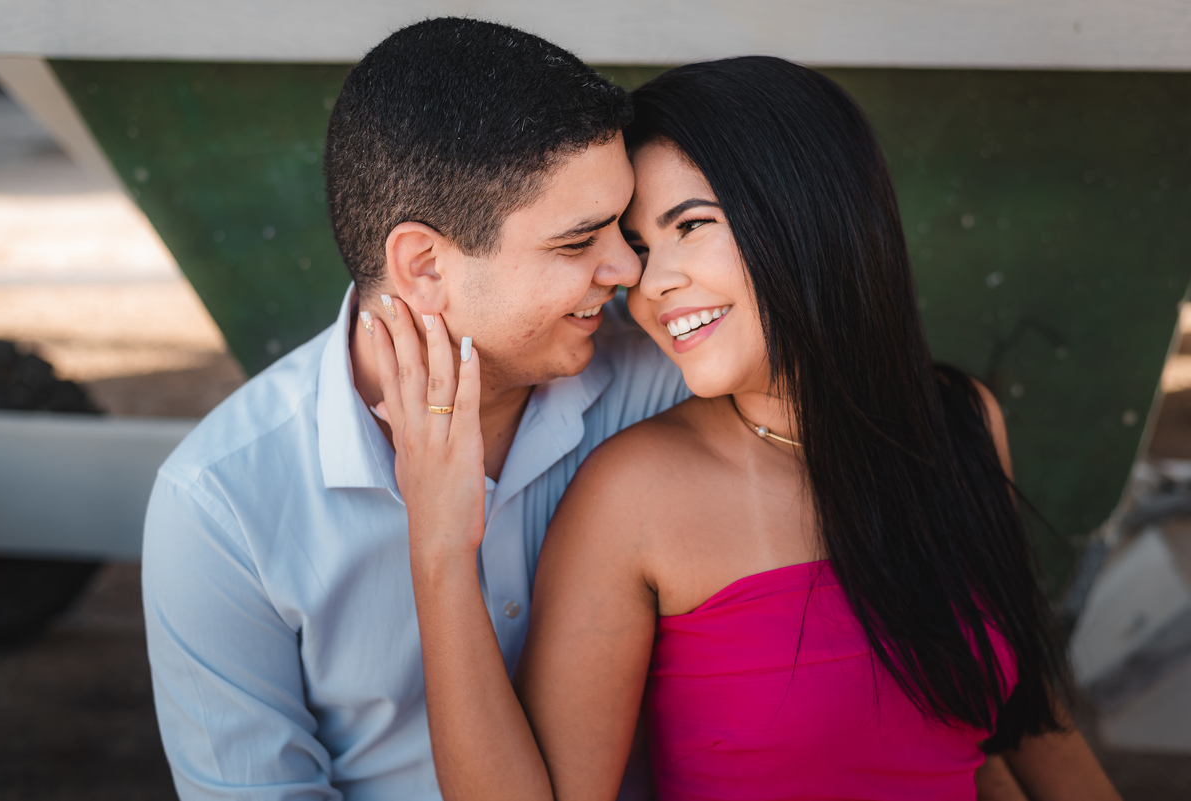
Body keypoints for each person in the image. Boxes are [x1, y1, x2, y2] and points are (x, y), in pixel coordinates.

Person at [373, 57, 1122, 800]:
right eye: (639, 246)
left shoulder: (962, 423)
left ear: (811, 212)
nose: (647, 281)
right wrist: (440, 550)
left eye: (690, 226)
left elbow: (1022, 726)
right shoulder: (635, 493)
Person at [141, 18, 690, 800]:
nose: (628, 268)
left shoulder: (662, 390)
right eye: (578, 243)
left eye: (623, 226)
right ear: (424, 265)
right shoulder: (223, 508)